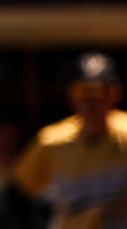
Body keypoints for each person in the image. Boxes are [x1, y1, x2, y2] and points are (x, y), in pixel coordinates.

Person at [14, 51, 127, 228]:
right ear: (72, 96)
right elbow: (20, 193)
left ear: (114, 94)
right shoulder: (51, 142)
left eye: (95, 92)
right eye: (81, 92)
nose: (89, 102)